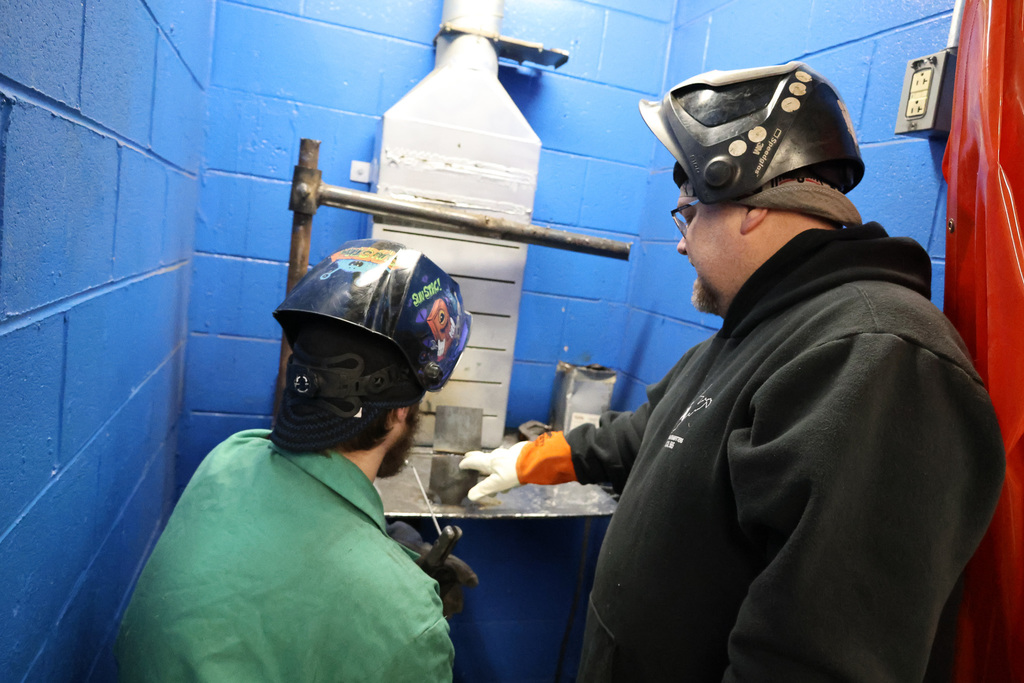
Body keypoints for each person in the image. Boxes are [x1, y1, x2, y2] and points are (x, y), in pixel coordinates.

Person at [460, 62, 1006, 681]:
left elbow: (813, 661)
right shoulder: (756, 333)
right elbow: (649, 436)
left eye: (688, 213)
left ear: (750, 207)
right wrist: (530, 461)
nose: (682, 242)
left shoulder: (875, 357)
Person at [115, 239, 472, 682]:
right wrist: (399, 588)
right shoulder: (414, 623)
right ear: (401, 412)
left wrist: (386, 557)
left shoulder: (230, 455)